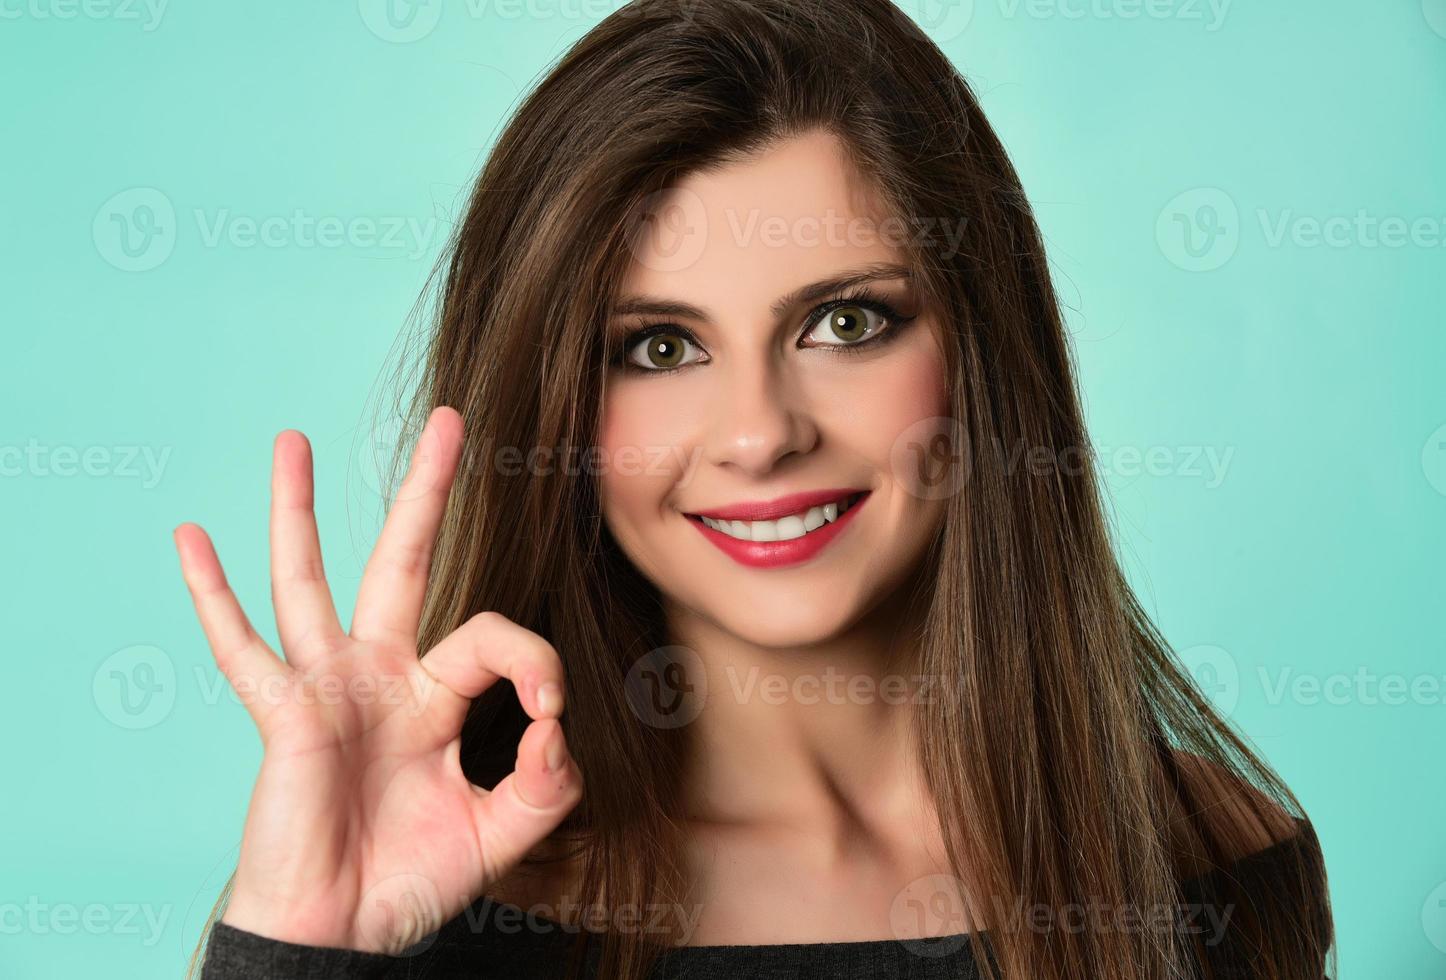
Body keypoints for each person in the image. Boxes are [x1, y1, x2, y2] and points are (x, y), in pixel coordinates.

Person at [177, 1, 1335, 977]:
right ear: (556, 408)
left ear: (982, 348)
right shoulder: (445, 903)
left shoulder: (1213, 858)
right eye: (660, 348)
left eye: (846, 322)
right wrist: (297, 946)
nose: (759, 434)